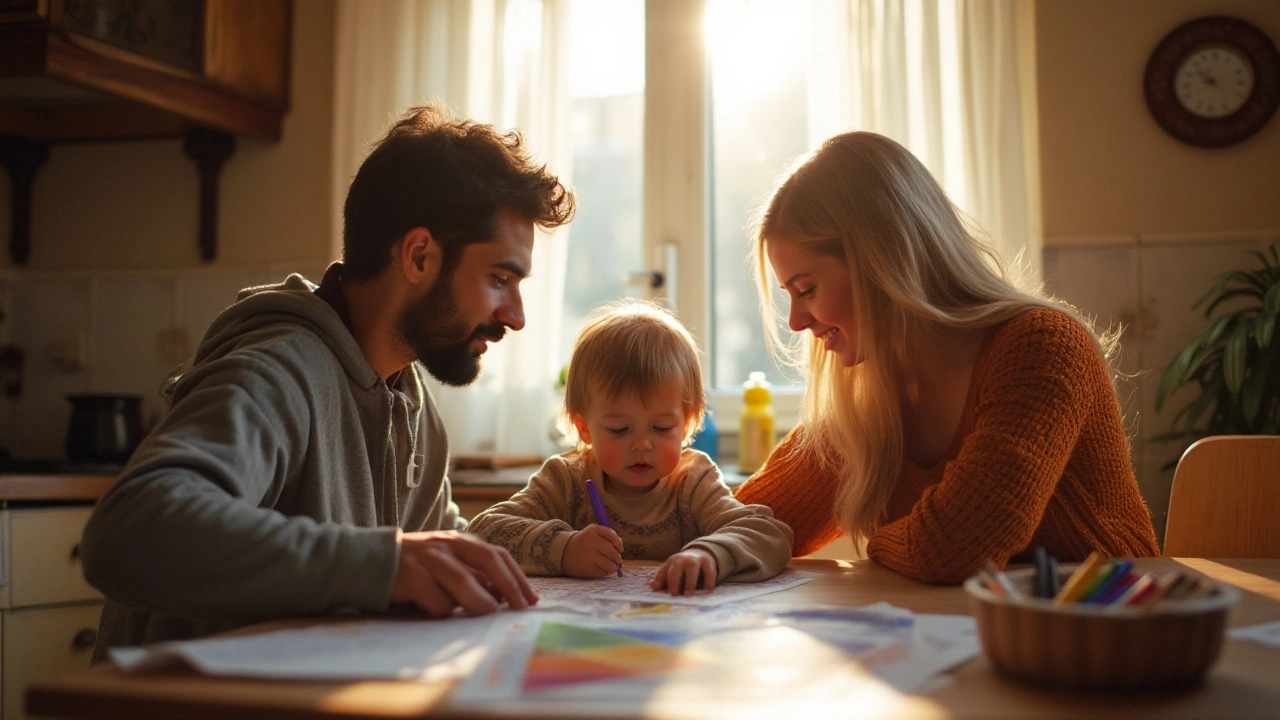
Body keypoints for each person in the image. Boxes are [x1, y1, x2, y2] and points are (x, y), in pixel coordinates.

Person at [80, 103, 575, 660]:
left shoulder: (407, 396)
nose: (516, 315)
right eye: (499, 278)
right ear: (419, 256)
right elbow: (130, 534)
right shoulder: (276, 369)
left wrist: (579, 543)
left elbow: (442, 545)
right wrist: (384, 565)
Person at [734, 131, 1159, 585]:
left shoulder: (1044, 348)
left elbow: (952, 549)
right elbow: (745, 525)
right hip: (970, 636)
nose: (797, 322)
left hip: (1110, 630)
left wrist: (878, 545)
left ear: (882, 259)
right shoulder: (870, 397)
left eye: (806, 290)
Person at [467, 300, 793, 595]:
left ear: (688, 423)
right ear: (584, 427)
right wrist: (564, 550)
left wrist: (709, 554)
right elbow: (481, 535)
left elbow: (769, 535)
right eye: (619, 429)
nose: (641, 444)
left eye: (662, 428)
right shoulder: (566, 479)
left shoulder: (692, 481)